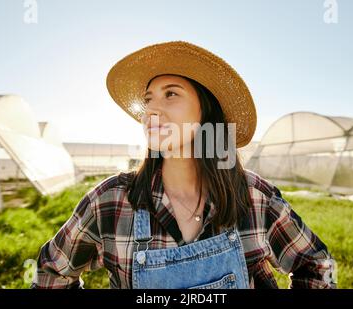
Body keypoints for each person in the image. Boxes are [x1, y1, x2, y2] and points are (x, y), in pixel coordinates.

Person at [31, 41, 337, 289]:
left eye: (171, 94)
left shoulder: (254, 197)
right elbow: (50, 273)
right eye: (148, 99)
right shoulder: (110, 201)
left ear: (206, 112)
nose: (151, 110)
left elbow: (316, 265)